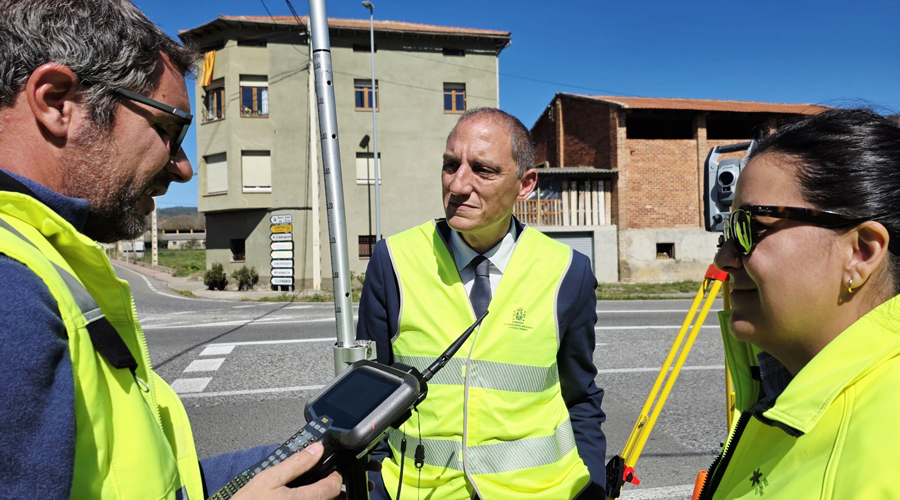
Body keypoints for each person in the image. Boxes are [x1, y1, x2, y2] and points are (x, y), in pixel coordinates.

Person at [0, 1, 341, 498]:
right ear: (57, 103)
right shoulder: (11, 290)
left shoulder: (45, 257)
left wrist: (306, 456)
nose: (183, 167)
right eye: (169, 129)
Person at [357, 108, 606, 499]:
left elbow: (580, 396)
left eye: (483, 170)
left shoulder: (567, 272)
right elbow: (367, 394)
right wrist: (374, 488)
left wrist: (592, 486)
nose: (457, 184)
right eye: (450, 165)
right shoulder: (394, 261)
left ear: (525, 185)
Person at [699, 108, 900, 499]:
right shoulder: (789, 394)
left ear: (860, 252)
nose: (724, 258)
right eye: (727, 229)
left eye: (750, 227)